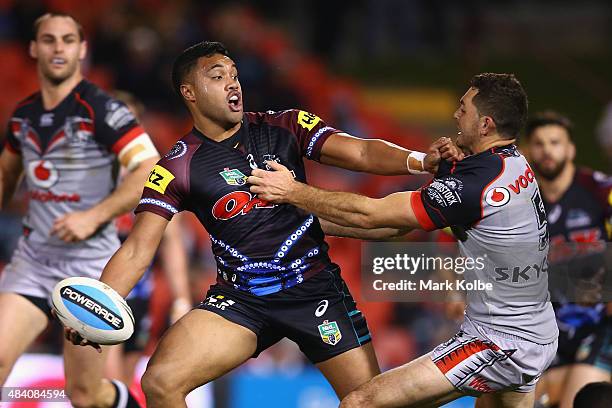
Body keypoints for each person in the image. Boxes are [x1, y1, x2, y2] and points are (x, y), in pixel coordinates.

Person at [64, 40, 462, 407]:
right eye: (217, 77)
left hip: (315, 291)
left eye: (234, 75)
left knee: (372, 402)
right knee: (160, 383)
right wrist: (95, 306)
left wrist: (420, 161)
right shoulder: (176, 166)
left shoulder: (286, 125)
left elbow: (358, 151)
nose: (232, 85)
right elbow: (137, 248)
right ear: (189, 92)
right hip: (242, 301)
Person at [249, 73, 559, 407]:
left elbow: (373, 215)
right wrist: (305, 223)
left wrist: (293, 191)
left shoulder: (477, 184)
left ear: (485, 125)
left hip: (500, 342)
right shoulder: (510, 164)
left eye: (463, 108)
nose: (456, 115)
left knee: (361, 403)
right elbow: (392, 229)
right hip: (531, 331)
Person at [0, 13, 159, 408]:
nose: (58, 48)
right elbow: (6, 174)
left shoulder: (102, 109)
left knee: (86, 396)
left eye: (68, 40)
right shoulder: (23, 115)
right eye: (49, 40)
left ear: (82, 49)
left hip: (89, 270)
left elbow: (151, 169)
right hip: (33, 263)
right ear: (34, 49)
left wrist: (95, 214)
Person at [105, 91, 192, 388]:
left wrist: (180, 299)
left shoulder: (155, 177)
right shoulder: (88, 177)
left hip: (140, 297)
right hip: (99, 292)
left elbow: (172, 242)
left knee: (125, 387)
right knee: (109, 384)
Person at [524, 111, 611, 408]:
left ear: (571, 149)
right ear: (527, 151)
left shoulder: (601, 191)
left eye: (555, 142)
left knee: (583, 401)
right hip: (542, 331)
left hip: (599, 324)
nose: (547, 150)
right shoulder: (517, 202)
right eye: (539, 143)